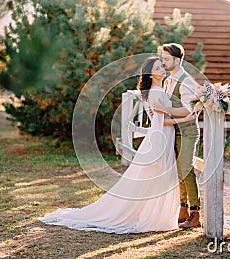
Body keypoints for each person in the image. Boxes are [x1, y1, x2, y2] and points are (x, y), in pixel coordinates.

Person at [38, 56, 195, 233]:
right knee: (154, 179)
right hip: (160, 138)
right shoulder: (156, 92)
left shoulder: (157, 89)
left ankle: (153, 214)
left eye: (162, 66)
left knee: (150, 180)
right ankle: (150, 217)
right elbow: (162, 122)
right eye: (158, 68)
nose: (162, 69)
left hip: (161, 137)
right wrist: (186, 118)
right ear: (150, 74)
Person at [154, 43, 201, 228]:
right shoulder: (169, 80)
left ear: (177, 60)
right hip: (174, 131)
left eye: (166, 59)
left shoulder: (186, 81)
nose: (163, 62)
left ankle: (195, 213)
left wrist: (164, 109)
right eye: (162, 58)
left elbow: (187, 110)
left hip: (187, 132)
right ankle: (182, 208)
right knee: (178, 170)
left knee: (186, 168)